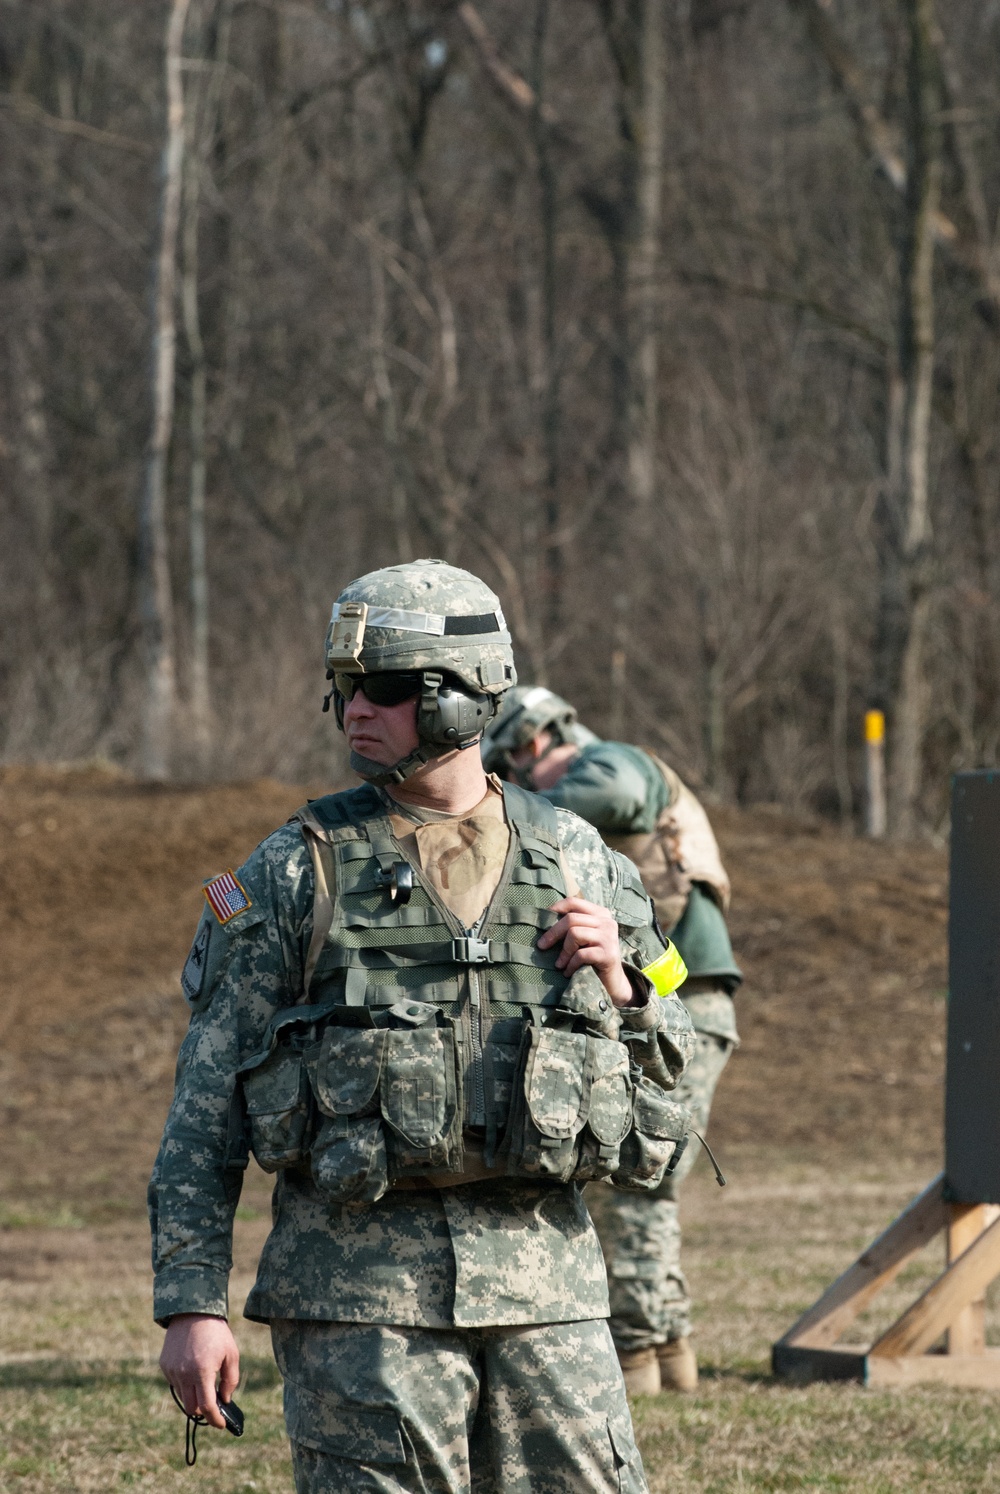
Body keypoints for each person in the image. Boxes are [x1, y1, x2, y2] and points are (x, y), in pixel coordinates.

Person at [150, 560, 696, 1494]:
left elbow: (676, 1039)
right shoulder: (291, 874)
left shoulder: (583, 859)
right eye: (346, 687)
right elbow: (205, 1108)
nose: (357, 708)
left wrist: (627, 978)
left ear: (465, 695)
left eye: (389, 689)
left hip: (549, 1301)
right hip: (360, 1306)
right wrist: (191, 1305)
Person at [482, 687, 741, 1396]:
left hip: (678, 1004)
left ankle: (634, 1358)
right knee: (649, 1182)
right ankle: (669, 1350)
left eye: (507, 772)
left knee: (638, 1185)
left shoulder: (613, 762)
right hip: (671, 996)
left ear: (532, 746)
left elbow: (619, 791)